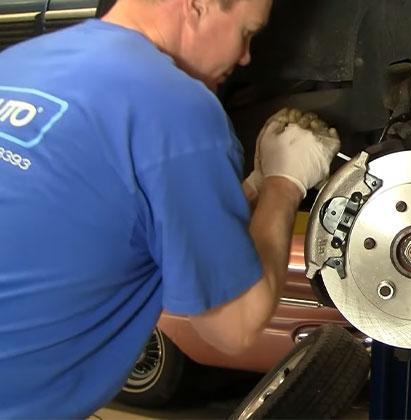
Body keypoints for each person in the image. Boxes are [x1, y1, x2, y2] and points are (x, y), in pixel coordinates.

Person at [0, 0, 340, 417]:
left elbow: (131, 212)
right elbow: (235, 325)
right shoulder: (175, 105)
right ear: (196, 6)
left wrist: (249, 188)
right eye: (247, 33)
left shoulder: (20, 63)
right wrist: (284, 186)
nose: (246, 56)